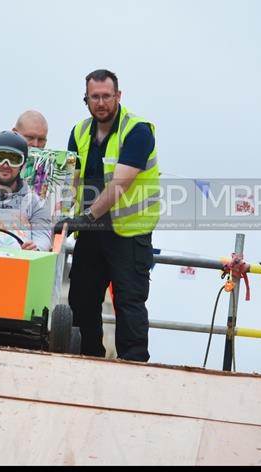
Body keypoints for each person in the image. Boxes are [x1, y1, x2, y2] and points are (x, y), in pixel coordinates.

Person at [57, 68, 160, 362]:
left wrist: (85, 217)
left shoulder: (137, 131)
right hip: (91, 230)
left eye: (106, 96)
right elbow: (70, 182)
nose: (101, 102)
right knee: (81, 300)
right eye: (95, 97)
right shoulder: (79, 132)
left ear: (118, 96)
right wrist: (62, 215)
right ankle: (86, 360)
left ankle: (134, 365)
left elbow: (121, 183)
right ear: (86, 99)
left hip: (129, 232)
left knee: (129, 302)